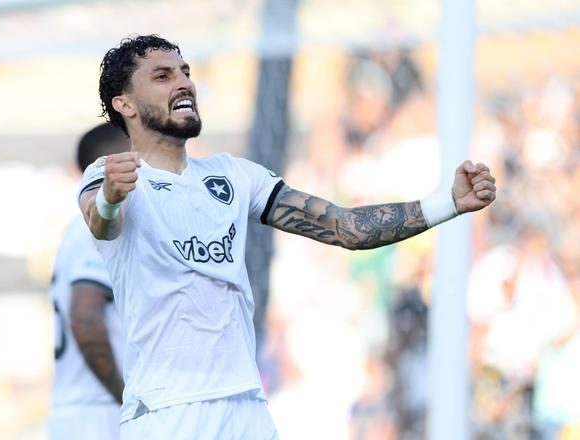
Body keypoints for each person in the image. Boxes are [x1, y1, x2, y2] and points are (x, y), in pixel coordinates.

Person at [77, 34, 497, 439]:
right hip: (169, 412)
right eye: (163, 75)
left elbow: (343, 227)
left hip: (247, 407)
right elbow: (102, 223)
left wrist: (449, 202)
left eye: (185, 72)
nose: (184, 82)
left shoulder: (235, 176)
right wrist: (112, 197)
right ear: (124, 103)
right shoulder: (110, 176)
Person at [48, 123, 129, 440]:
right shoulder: (95, 229)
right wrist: (126, 398)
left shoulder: (78, 228)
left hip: (86, 409)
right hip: (100, 412)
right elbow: (85, 317)